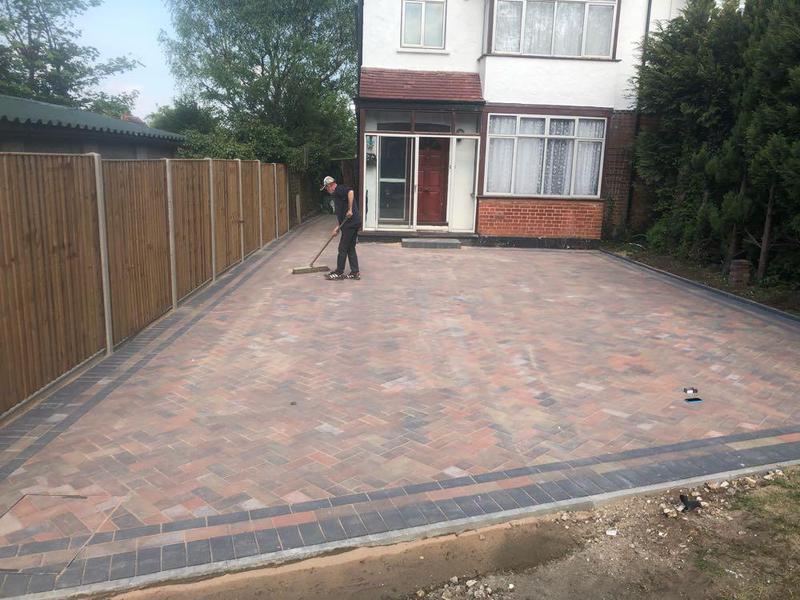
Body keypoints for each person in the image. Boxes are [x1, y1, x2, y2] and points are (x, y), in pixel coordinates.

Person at [321, 176, 362, 280]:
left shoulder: (339, 189)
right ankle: (355, 272)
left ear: (330, 185)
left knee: (342, 248)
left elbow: (351, 192)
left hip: (351, 224)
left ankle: (339, 272)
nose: (327, 190)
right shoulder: (337, 195)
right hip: (352, 223)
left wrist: (350, 209)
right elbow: (342, 215)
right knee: (350, 248)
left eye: (326, 188)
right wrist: (338, 227)